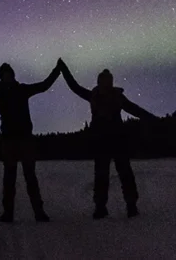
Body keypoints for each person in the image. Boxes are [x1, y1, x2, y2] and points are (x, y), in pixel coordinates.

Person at [0, 58, 65, 223]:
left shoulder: (20, 89)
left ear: (12, 75)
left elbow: (43, 86)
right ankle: (9, 213)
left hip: (25, 140)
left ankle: (39, 212)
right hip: (9, 141)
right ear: (2, 77)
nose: (7, 77)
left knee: (30, 177)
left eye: (9, 74)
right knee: (9, 178)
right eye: (4, 75)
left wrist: (57, 71)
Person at [59, 65, 158, 219]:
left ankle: (129, 205)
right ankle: (102, 206)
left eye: (107, 81)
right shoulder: (95, 96)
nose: (105, 83)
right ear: (100, 82)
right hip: (102, 142)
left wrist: (151, 118)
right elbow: (75, 87)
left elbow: (134, 109)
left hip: (117, 140)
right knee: (103, 175)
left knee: (123, 173)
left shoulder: (115, 96)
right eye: (103, 81)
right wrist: (64, 70)